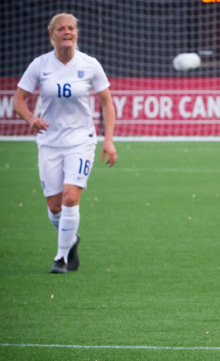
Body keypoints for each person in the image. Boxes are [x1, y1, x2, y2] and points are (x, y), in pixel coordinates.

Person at [13, 13, 117, 274]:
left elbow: (106, 102)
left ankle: (60, 258)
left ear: (77, 33)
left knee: (71, 198)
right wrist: (30, 118)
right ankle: (71, 239)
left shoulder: (90, 64)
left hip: (81, 141)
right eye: (61, 29)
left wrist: (109, 140)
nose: (67, 32)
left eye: (71, 28)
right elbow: (18, 99)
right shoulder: (40, 65)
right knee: (55, 207)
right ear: (52, 35)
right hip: (49, 143)